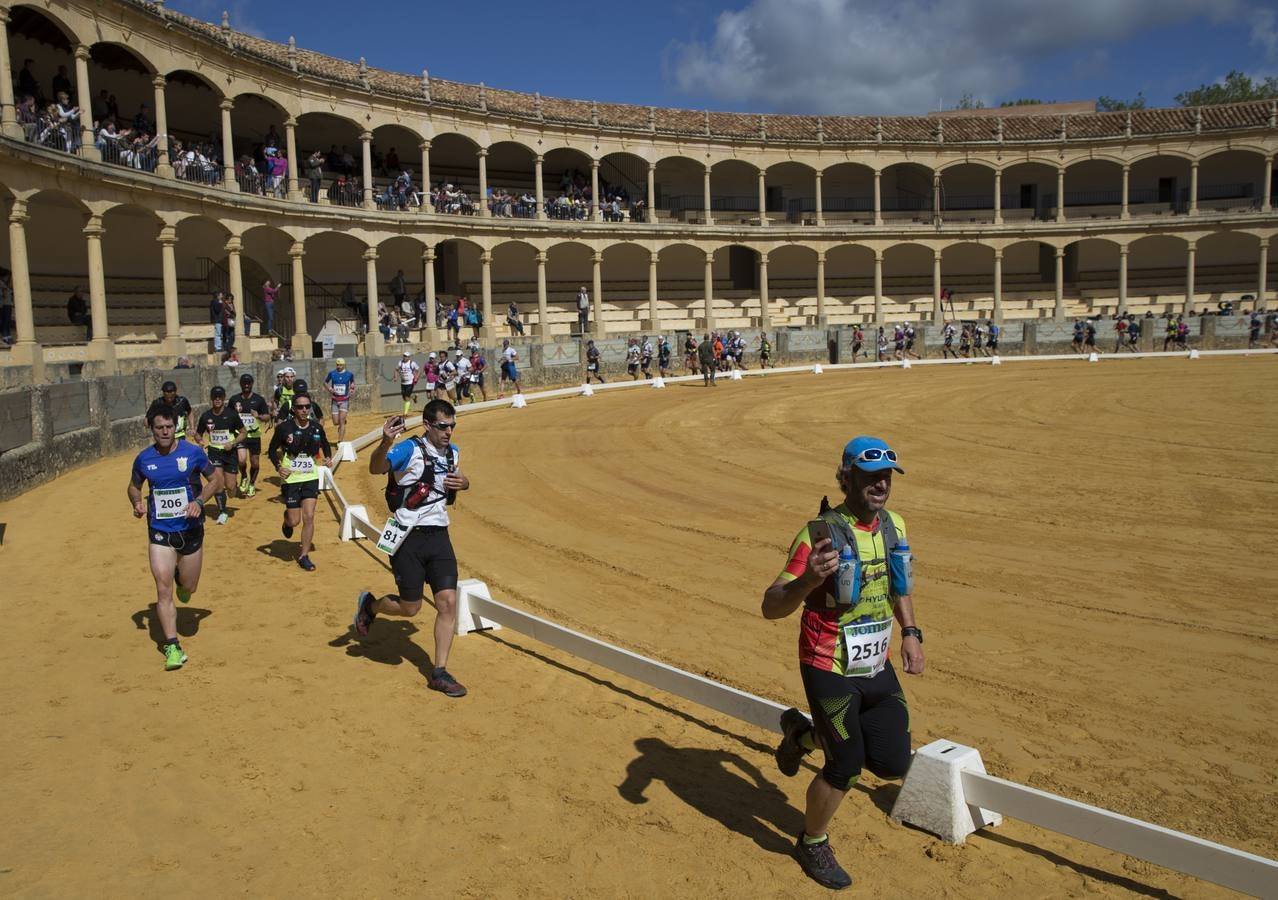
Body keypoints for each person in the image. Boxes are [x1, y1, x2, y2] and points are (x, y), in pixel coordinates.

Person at [762, 436, 923, 890]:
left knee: (891, 762)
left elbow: (899, 586)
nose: (881, 485)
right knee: (846, 765)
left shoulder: (894, 526)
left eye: (887, 476)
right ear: (847, 477)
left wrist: (911, 633)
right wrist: (808, 579)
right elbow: (771, 605)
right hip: (827, 663)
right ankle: (812, 841)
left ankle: (802, 735)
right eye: (871, 476)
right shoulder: (819, 534)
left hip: (875, 663)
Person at [354, 399, 471, 698]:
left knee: (447, 603)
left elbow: (456, 484)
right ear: (428, 425)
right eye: (443, 426)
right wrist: (385, 441)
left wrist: (465, 483)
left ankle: (439, 671)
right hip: (407, 537)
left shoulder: (453, 453)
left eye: (452, 426)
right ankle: (371, 606)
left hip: (439, 536)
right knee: (411, 608)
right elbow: (376, 467)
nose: (449, 432)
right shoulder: (408, 449)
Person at [127, 404, 219, 671]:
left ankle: (183, 581)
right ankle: (172, 645)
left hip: (190, 529)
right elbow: (134, 487)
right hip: (160, 531)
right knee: (162, 587)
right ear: (151, 428)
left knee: (188, 587)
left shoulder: (193, 453)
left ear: (176, 426)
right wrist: (136, 503)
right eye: (159, 428)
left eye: (169, 427)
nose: (165, 432)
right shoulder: (144, 459)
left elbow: (215, 480)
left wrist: (200, 502)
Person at [267, 391, 330, 571]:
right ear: (293, 409)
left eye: (307, 406)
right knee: (295, 521)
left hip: (310, 475)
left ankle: (304, 555)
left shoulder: (316, 427)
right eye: (300, 407)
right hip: (291, 477)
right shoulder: (284, 428)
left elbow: (325, 444)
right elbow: (272, 450)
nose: (304, 410)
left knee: (309, 516)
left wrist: (328, 457)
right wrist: (279, 467)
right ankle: (286, 521)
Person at [193, 385, 245, 525]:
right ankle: (222, 512)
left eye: (220, 397)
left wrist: (233, 443)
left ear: (223, 398)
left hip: (230, 453)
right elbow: (198, 433)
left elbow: (243, 432)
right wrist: (199, 440)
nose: (217, 400)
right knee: (218, 483)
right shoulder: (206, 416)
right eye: (215, 397)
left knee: (230, 487)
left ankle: (234, 487)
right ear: (211, 399)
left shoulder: (232, 414)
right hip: (214, 452)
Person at [230, 372, 270, 497]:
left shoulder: (259, 399)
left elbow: (267, 416)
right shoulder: (234, 400)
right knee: (241, 460)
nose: (246, 385)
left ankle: (252, 484)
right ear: (241, 384)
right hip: (240, 435)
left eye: (248, 383)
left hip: (254, 435)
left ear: (252, 384)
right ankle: (244, 476)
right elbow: (228, 416)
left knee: (255, 463)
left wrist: (258, 416)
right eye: (244, 383)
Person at [325, 357, 355, 443]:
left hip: (345, 400)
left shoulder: (349, 374)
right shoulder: (332, 373)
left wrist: (352, 388)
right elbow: (325, 382)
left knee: (341, 421)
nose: (339, 366)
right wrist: (329, 388)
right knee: (335, 422)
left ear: (344, 365)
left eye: (341, 365)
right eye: (337, 365)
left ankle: (340, 442)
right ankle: (342, 423)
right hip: (334, 400)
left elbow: (352, 383)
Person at [396, 350, 420, 415]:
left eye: (406, 356)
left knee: (406, 397)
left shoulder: (412, 363)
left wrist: (416, 378)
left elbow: (418, 370)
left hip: (410, 382)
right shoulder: (400, 363)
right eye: (404, 356)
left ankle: (405, 413)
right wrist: (396, 377)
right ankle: (414, 396)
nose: (404, 357)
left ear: (409, 357)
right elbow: (396, 369)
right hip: (403, 382)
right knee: (404, 397)